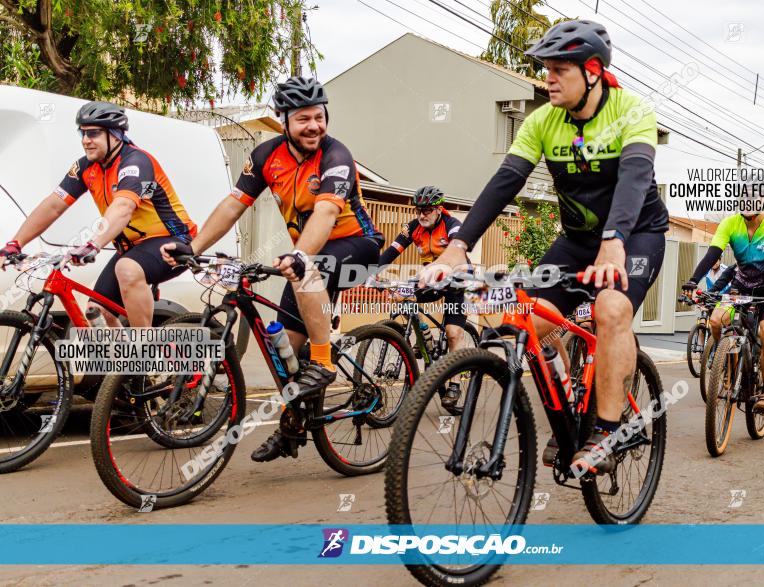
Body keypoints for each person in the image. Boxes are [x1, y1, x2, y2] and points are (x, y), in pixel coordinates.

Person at [421, 20, 669, 474]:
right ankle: (564, 405)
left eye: (558, 70)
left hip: (635, 235)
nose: (548, 79)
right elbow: (505, 183)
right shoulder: (543, 121)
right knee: (521, 324)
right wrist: (458, 246)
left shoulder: (632, 112)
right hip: (576, 241)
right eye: (545, 69)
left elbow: (634, 181)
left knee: (611, 310)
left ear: (592, 71)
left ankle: (608, 431)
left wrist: (613, 244)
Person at [161, 77, 384, 462]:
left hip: (357, 245)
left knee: (308, 270)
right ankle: (292, 426)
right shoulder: (266, 156)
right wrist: (193, 247)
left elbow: (327, 213)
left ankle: (326, 363)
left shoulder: (336, 157)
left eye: (319, 117)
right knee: (287, 357)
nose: (314, 126)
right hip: (308, 256)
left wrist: (299, 255)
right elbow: (233, 205)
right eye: (303, 119)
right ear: (284, 121)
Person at [0, 101, 196, 327]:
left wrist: (93, 244)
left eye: (93, 133)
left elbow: (123, 207)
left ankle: (144, 353)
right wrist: (15, 243)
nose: (85, 140)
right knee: (97, 311)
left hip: (173, 242)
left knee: (127, 268)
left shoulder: (136, 162)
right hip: (131, 249)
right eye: (82, 133)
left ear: (115, 135)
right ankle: (119, 361)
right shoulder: (86, 168)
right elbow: (53, 205)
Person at [682, 183, 764, 413]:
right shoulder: (730, 224)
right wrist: (693, 280)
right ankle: (725, 363)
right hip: (742, 284)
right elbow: (713, 254)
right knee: (717, 320)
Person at [377, 185, 469, 410]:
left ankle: (455, 385)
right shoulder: (413, 227)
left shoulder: (452, 226)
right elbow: (392, 250)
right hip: (429, 278)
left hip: (456, 278)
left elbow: (455, 255)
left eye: (427, 210)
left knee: (452, 332)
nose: (422, 214)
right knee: (402, 295)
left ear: (439, 209)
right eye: (419, 210)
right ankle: (424, 335)